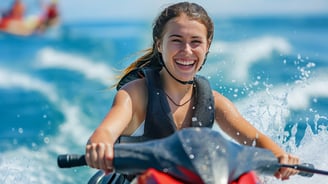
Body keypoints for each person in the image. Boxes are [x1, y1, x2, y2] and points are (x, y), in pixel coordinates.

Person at [85, 1, 299, 182]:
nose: (186, 51)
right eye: (176, 41)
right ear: (159, 45)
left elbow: (257, 140)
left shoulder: (214, 102)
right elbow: (105, 132)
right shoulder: (136, 94)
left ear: (207, 47)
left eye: (196, 42)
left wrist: (281, 157)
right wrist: (100, 145)